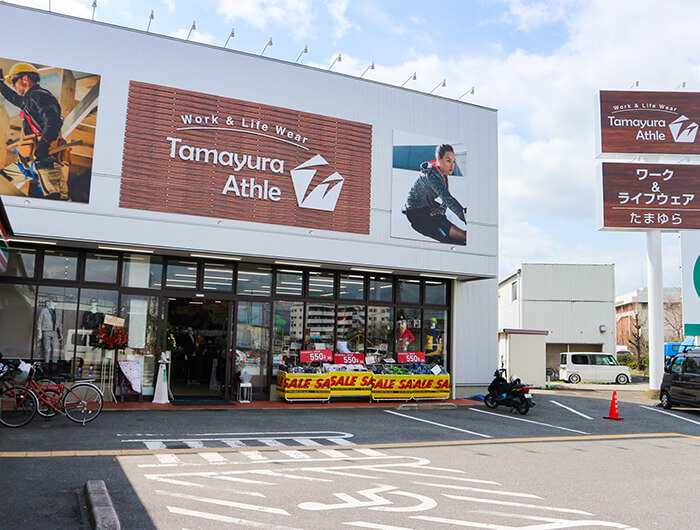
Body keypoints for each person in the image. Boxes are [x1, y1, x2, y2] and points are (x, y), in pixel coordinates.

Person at [0, 63, 64, 199]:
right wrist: (1, 84)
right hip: (29, 162)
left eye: (14, 81)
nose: (13, 86)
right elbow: (13, 97)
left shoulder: (40, 95)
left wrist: (44, 145)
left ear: (25, 79)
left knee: (56, 202)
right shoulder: (29, 99)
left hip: (45, 161)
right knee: (2, 181)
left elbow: (53, 121)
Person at [402, 144, 467, 245]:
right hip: (415, 213)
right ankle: (465, 237)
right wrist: (464, 216)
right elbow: (448, 199)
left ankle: (466, 236)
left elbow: (446, 196)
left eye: (454, 161)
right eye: (448, 161)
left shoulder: (443, 175)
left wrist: (441, 209)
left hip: (427, 207)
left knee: (443, 222)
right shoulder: (432, 176)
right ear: (439, 159)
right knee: (447, 236)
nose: (452, 165)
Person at [37, 296, 62, 364]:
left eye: (56, 302)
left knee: (55, 350)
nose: (55, 303)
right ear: (50, 302)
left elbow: (60, 323)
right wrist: (40, 332)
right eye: (54, 302)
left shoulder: (58, 311)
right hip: (46, 331)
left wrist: (61, 333)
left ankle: (54, 365)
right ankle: (47, 364)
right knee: (47, 349)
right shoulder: (44, 311)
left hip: (55, 332)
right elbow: (39, 321)